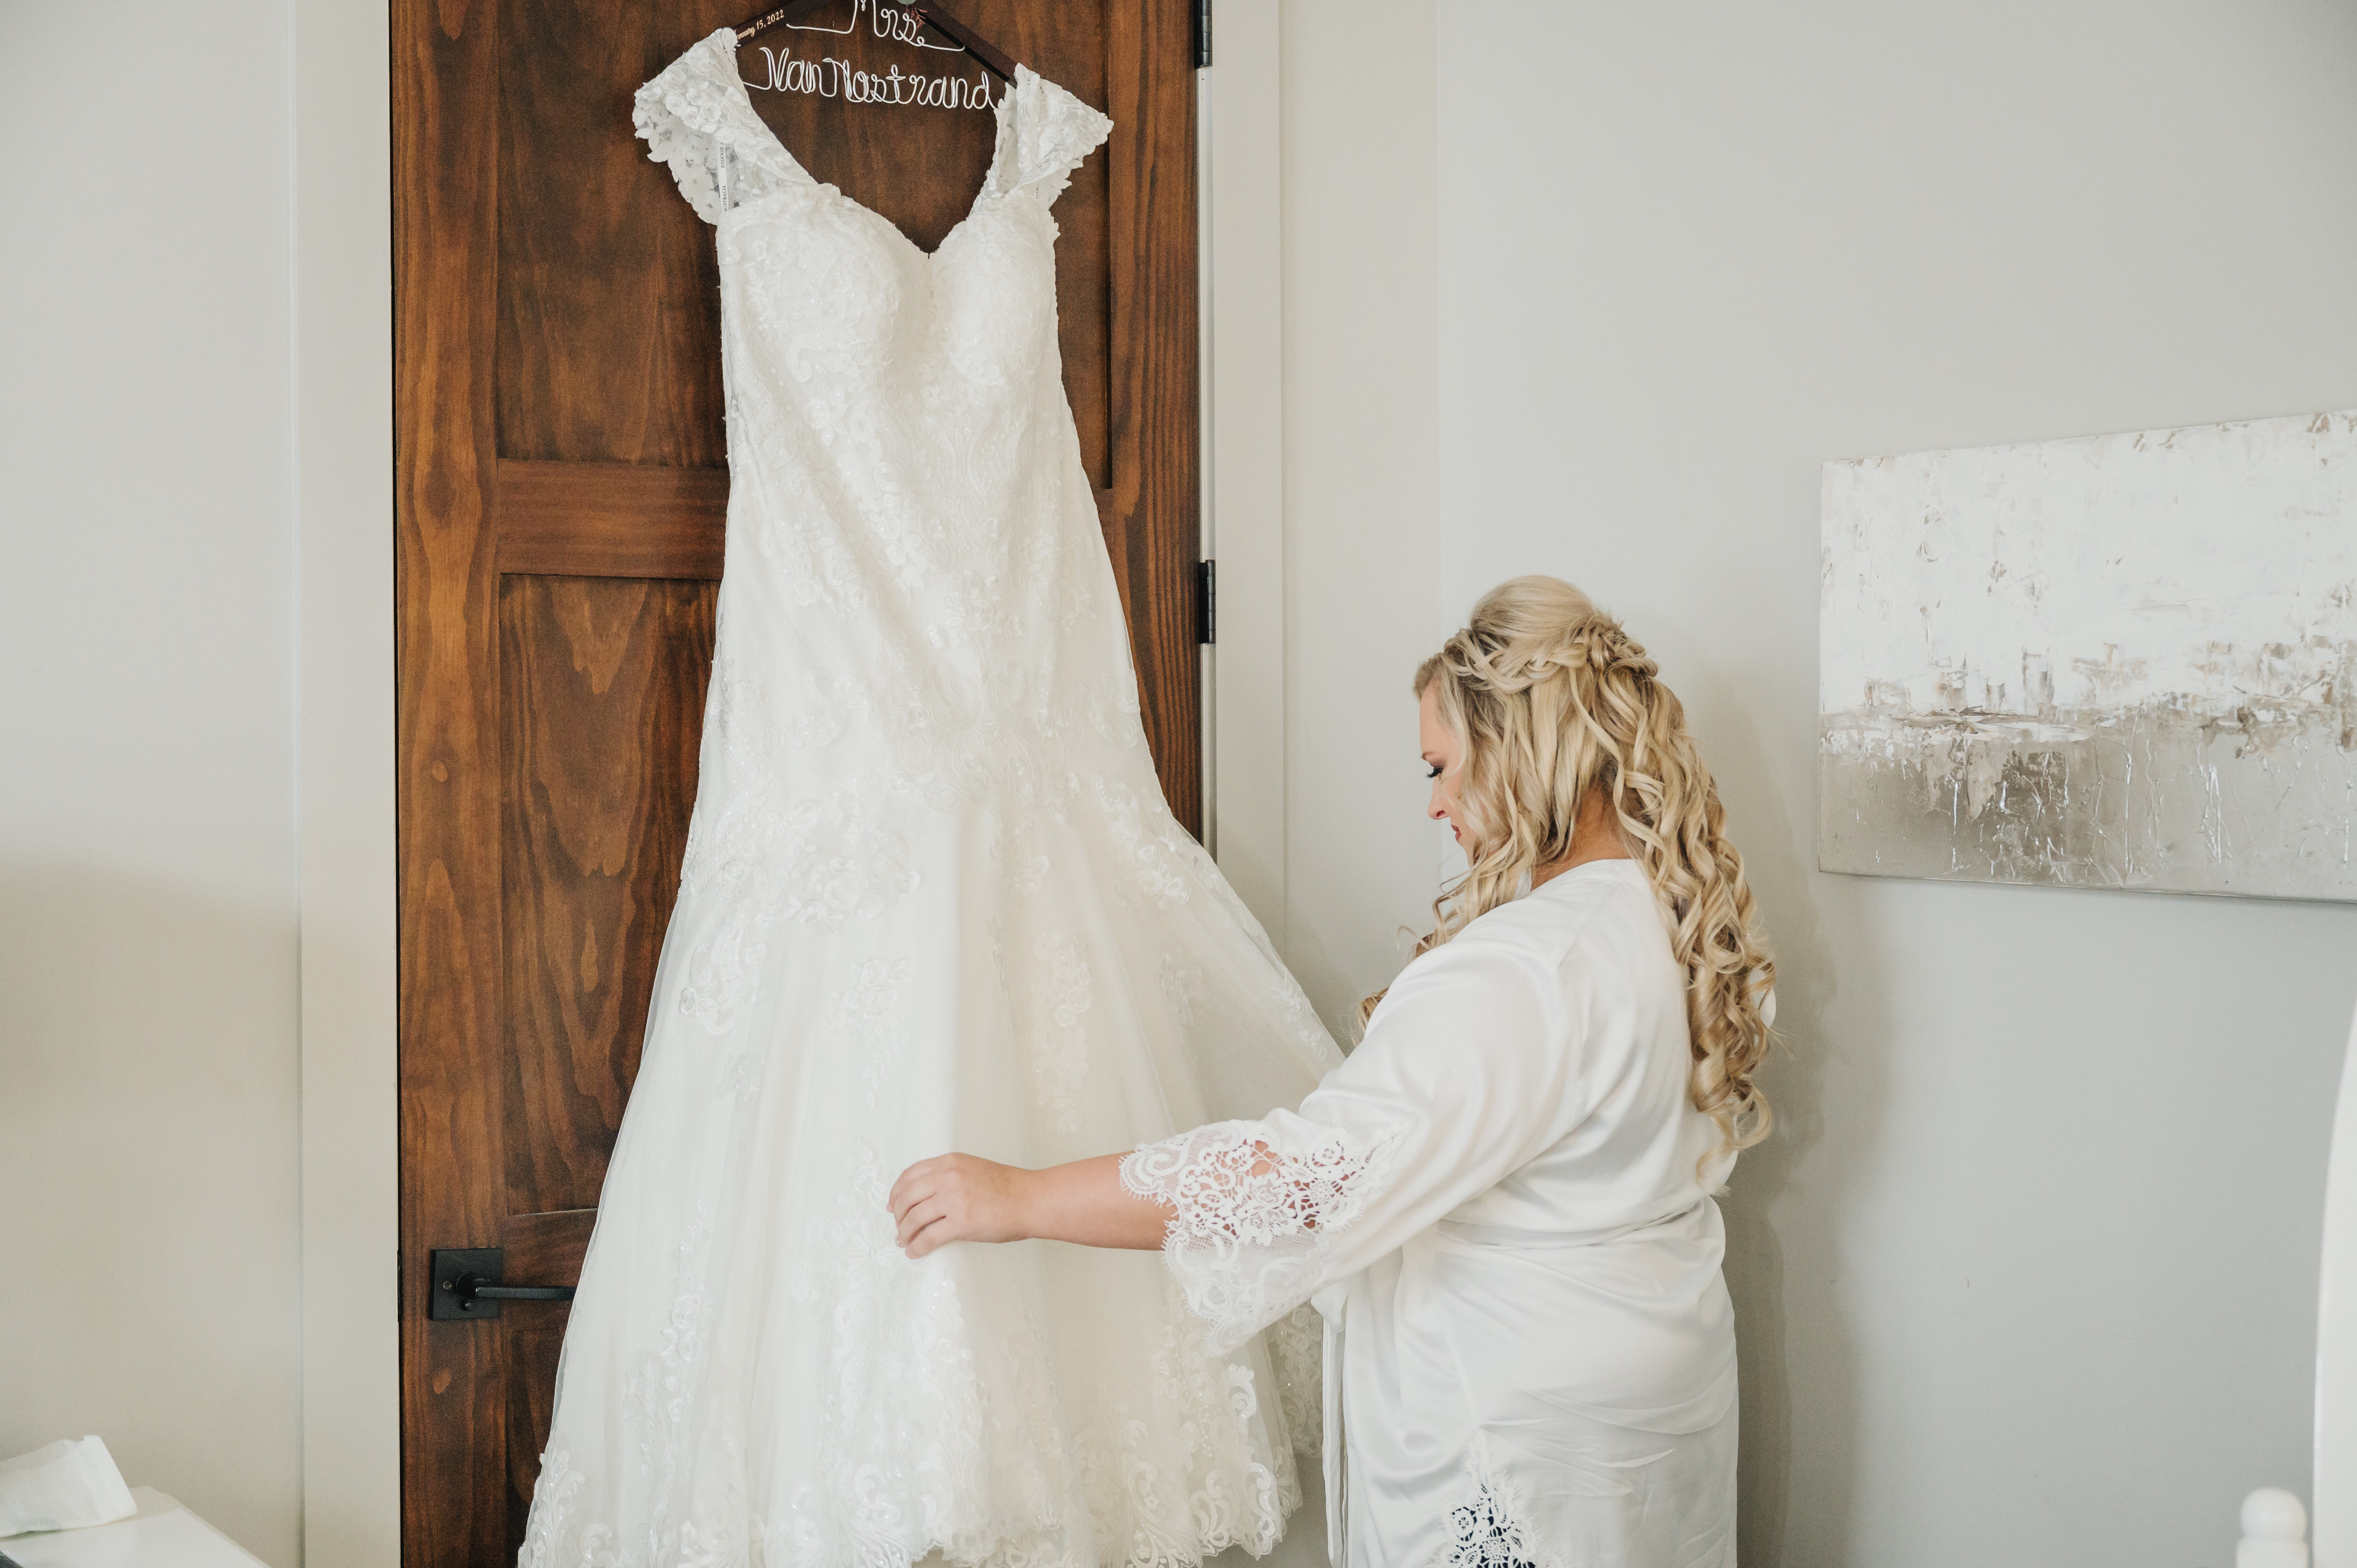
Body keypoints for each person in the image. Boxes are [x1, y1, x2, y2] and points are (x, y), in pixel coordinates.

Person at [888, 575, 1776, 1567]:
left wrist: (1021, 1197)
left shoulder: (1524, 970)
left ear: (1517, 746)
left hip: (1518, 1438)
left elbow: (1303, 1181)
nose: (1435, 803)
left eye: (1441, 767)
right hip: (1657, 1402)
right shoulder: (1673, 921)